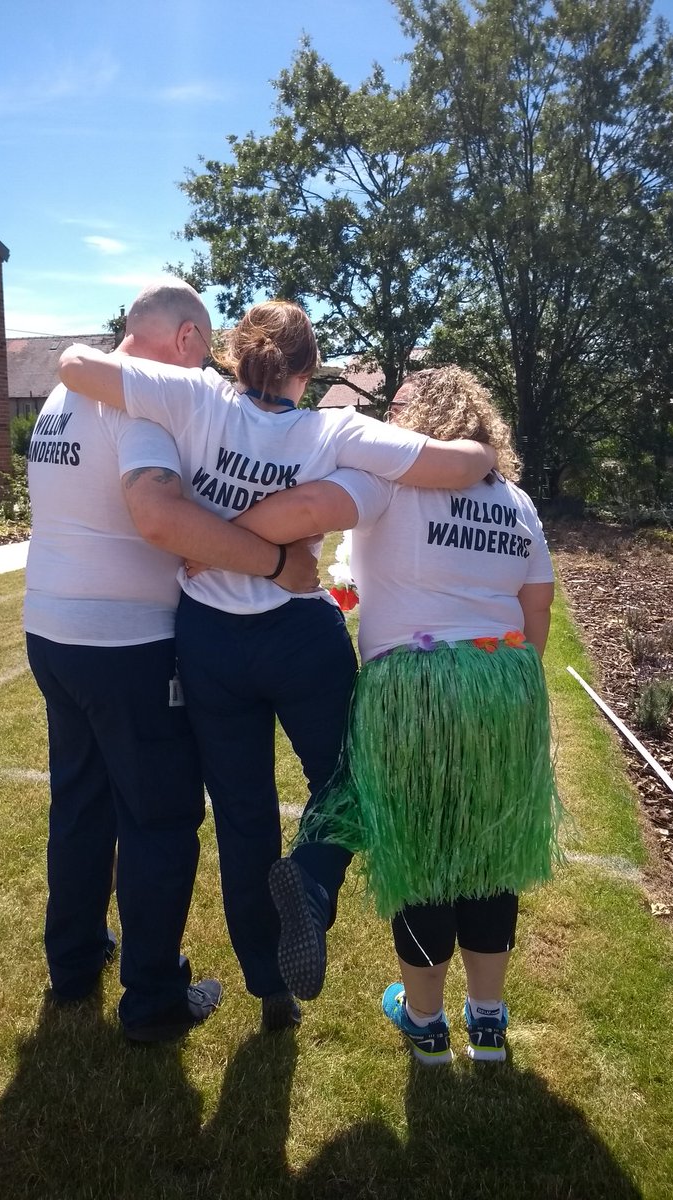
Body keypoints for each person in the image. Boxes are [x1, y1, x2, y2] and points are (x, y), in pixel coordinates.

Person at [57, 304, 498, 1028]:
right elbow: (451, 466)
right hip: (298, 632)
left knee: (243, 817)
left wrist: (213, 537)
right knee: (354, 776)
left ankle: (272, 988)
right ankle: (314, 887)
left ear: (236, 356)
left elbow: (75, 365)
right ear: (308, 370)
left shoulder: (194, 395)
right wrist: (482, 452)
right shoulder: (334, 427)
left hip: (207, 640)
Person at [232, 365, 560, 1064]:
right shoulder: (519, 502)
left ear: (417, 426)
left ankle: (427, 1022)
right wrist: (512, 699)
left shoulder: (391, 483)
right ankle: (491, 1022)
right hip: (503, 684)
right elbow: (538, 614)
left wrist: (223, 535)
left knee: (422, 858)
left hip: (412, 688)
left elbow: (303, 512)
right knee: (491, 855)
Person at [25, 280, 318, 1042]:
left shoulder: (62, 400)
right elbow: (157, 514)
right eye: (208, 348)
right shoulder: (143, 403)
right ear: (186, 339)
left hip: (52, 633)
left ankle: (75, 959)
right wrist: (272, 559)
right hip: (125, 646)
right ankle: (154, 998)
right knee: (159, 820)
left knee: (82, 804)